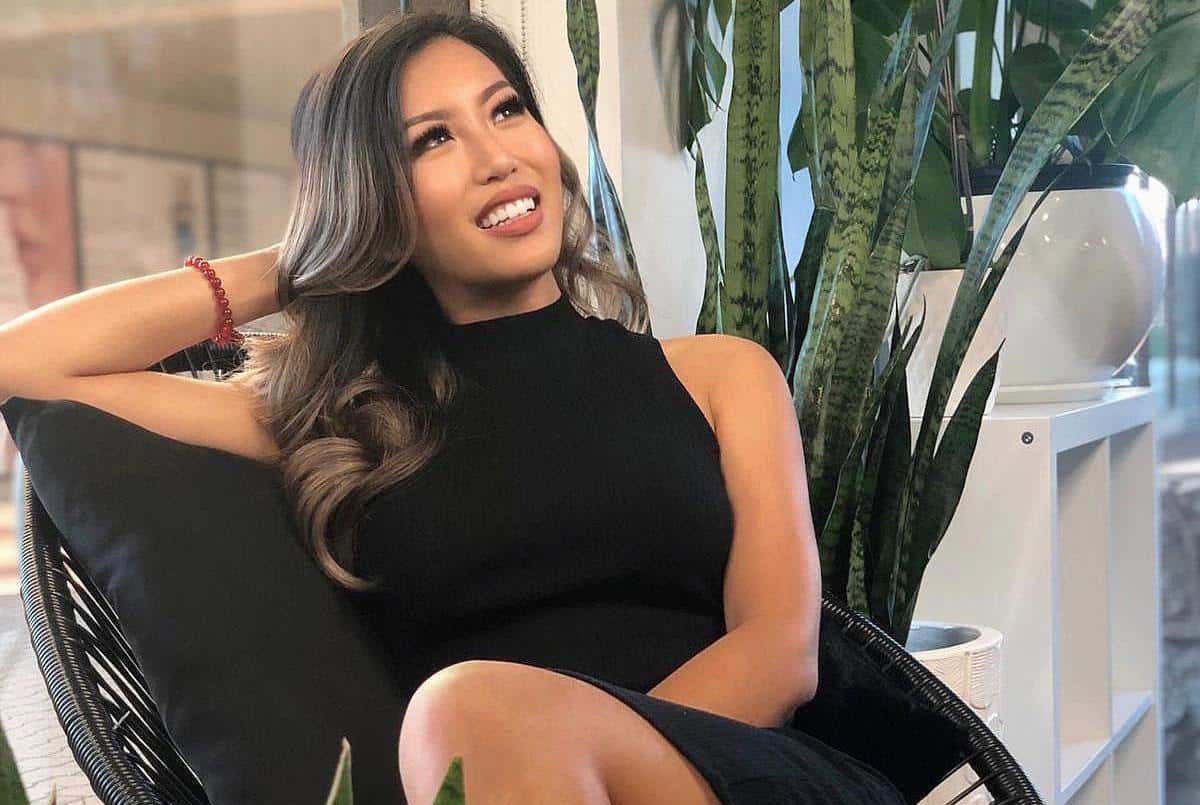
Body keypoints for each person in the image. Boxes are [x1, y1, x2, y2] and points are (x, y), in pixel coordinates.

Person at [0, 10, 905, 805]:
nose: (497, 156)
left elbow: (781, 652)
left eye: (507, 110)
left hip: (741, 770)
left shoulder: (722, 375)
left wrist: (565, 749)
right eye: (432, 140)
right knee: (463, 718)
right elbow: (23, 363)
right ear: (374, 197)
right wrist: (303, 258)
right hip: (477, 773)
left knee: (470, 712)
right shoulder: (341, 422)